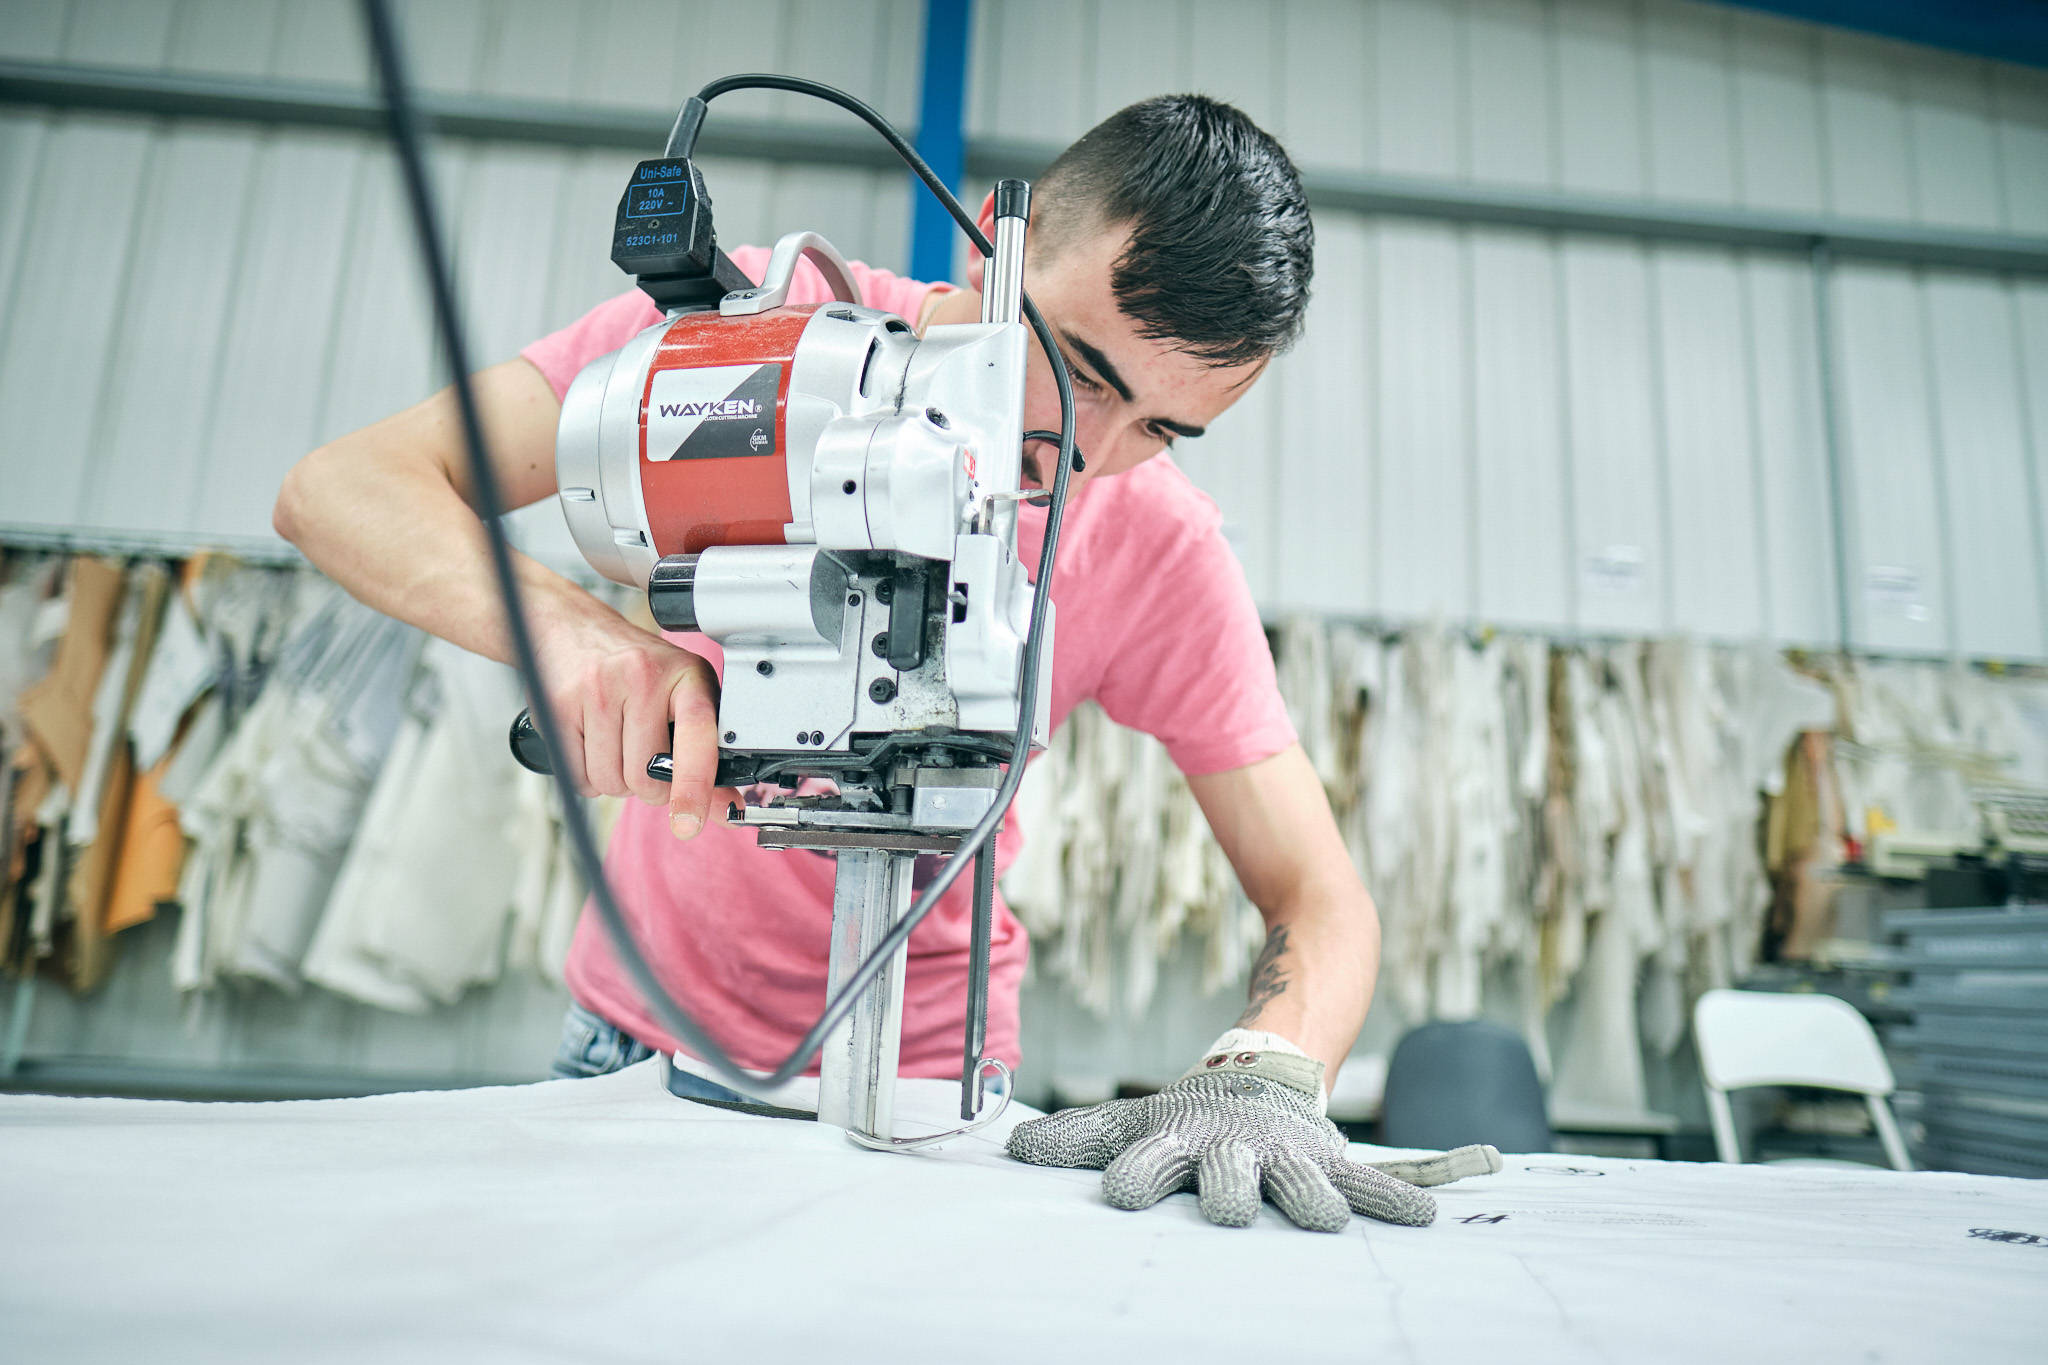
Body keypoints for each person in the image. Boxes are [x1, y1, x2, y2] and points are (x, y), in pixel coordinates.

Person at [277, 95, 1460, 1229]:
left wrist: (1263, 1074)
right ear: (999, 242)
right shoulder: (756, 338)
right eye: (1079, 369)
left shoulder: (1156, 545)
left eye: (1158, 427)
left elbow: (1321, 898)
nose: (1083, 453)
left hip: (929, 1083)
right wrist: (580, 638)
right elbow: (344, 488)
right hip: (636, 1042)